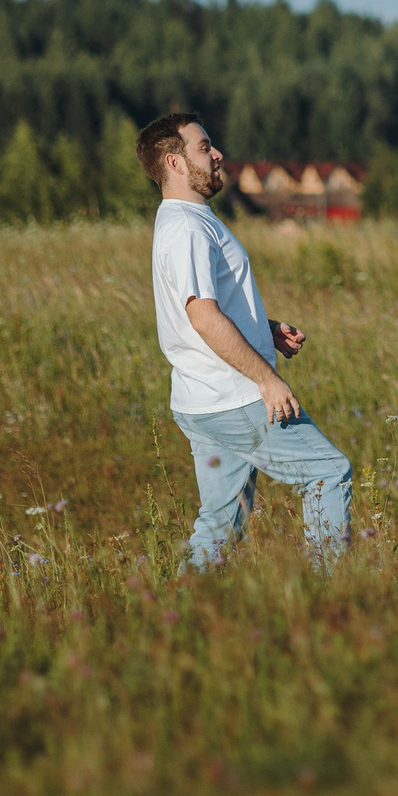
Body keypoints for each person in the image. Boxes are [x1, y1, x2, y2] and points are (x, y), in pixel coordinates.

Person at [138, 111, 351, 569]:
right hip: (234, 396)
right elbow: (203, 318)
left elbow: (208, 307)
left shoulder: (185, 220)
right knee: (328, 474)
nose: (217, 155)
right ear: (174, 163)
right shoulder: (188, 228)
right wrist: (266, 379)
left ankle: (180, 603)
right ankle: (330, 596)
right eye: (203, 147)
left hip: (202, 399)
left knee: (221, 523)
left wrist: (263, 329)